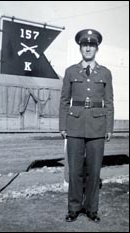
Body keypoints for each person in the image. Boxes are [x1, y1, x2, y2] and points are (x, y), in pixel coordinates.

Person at [59, 29, 114, 223]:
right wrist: (62, 125)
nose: (88, 48)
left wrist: (109, 127)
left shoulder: (105, 73)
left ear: (96, 48)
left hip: (98, 127)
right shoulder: (71, 71)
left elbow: (109, 102)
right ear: (80, 48)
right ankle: (74, 208)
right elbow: (64, 100)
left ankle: (92, 209)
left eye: (91, 45)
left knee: (94, 170)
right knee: (74, 170)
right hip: (74, 125)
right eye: (85, 45)